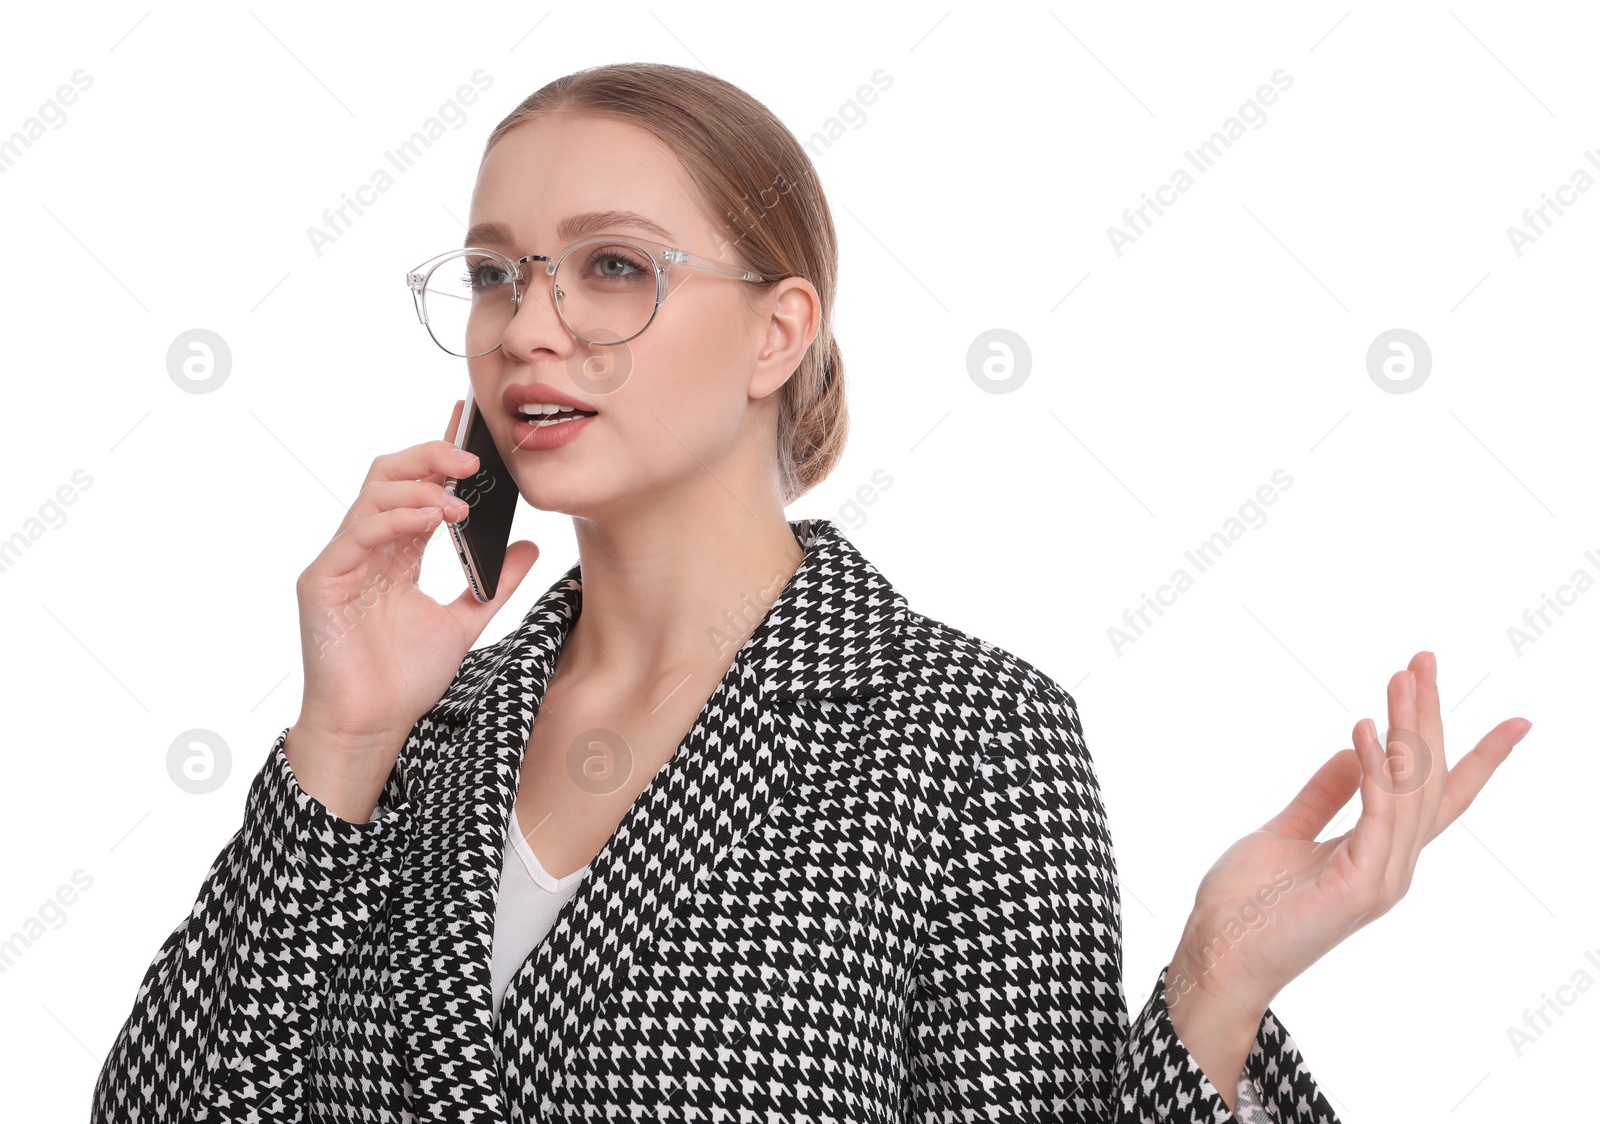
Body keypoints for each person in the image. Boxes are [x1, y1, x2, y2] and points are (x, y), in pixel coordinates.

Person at [89, 62, 1532, 1122]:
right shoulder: (423, 732)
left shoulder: (964, 739)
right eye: (491, 273)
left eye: (608, 267)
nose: (529, 326)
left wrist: (1213, 991)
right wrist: (338, 743)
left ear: (779, 330)